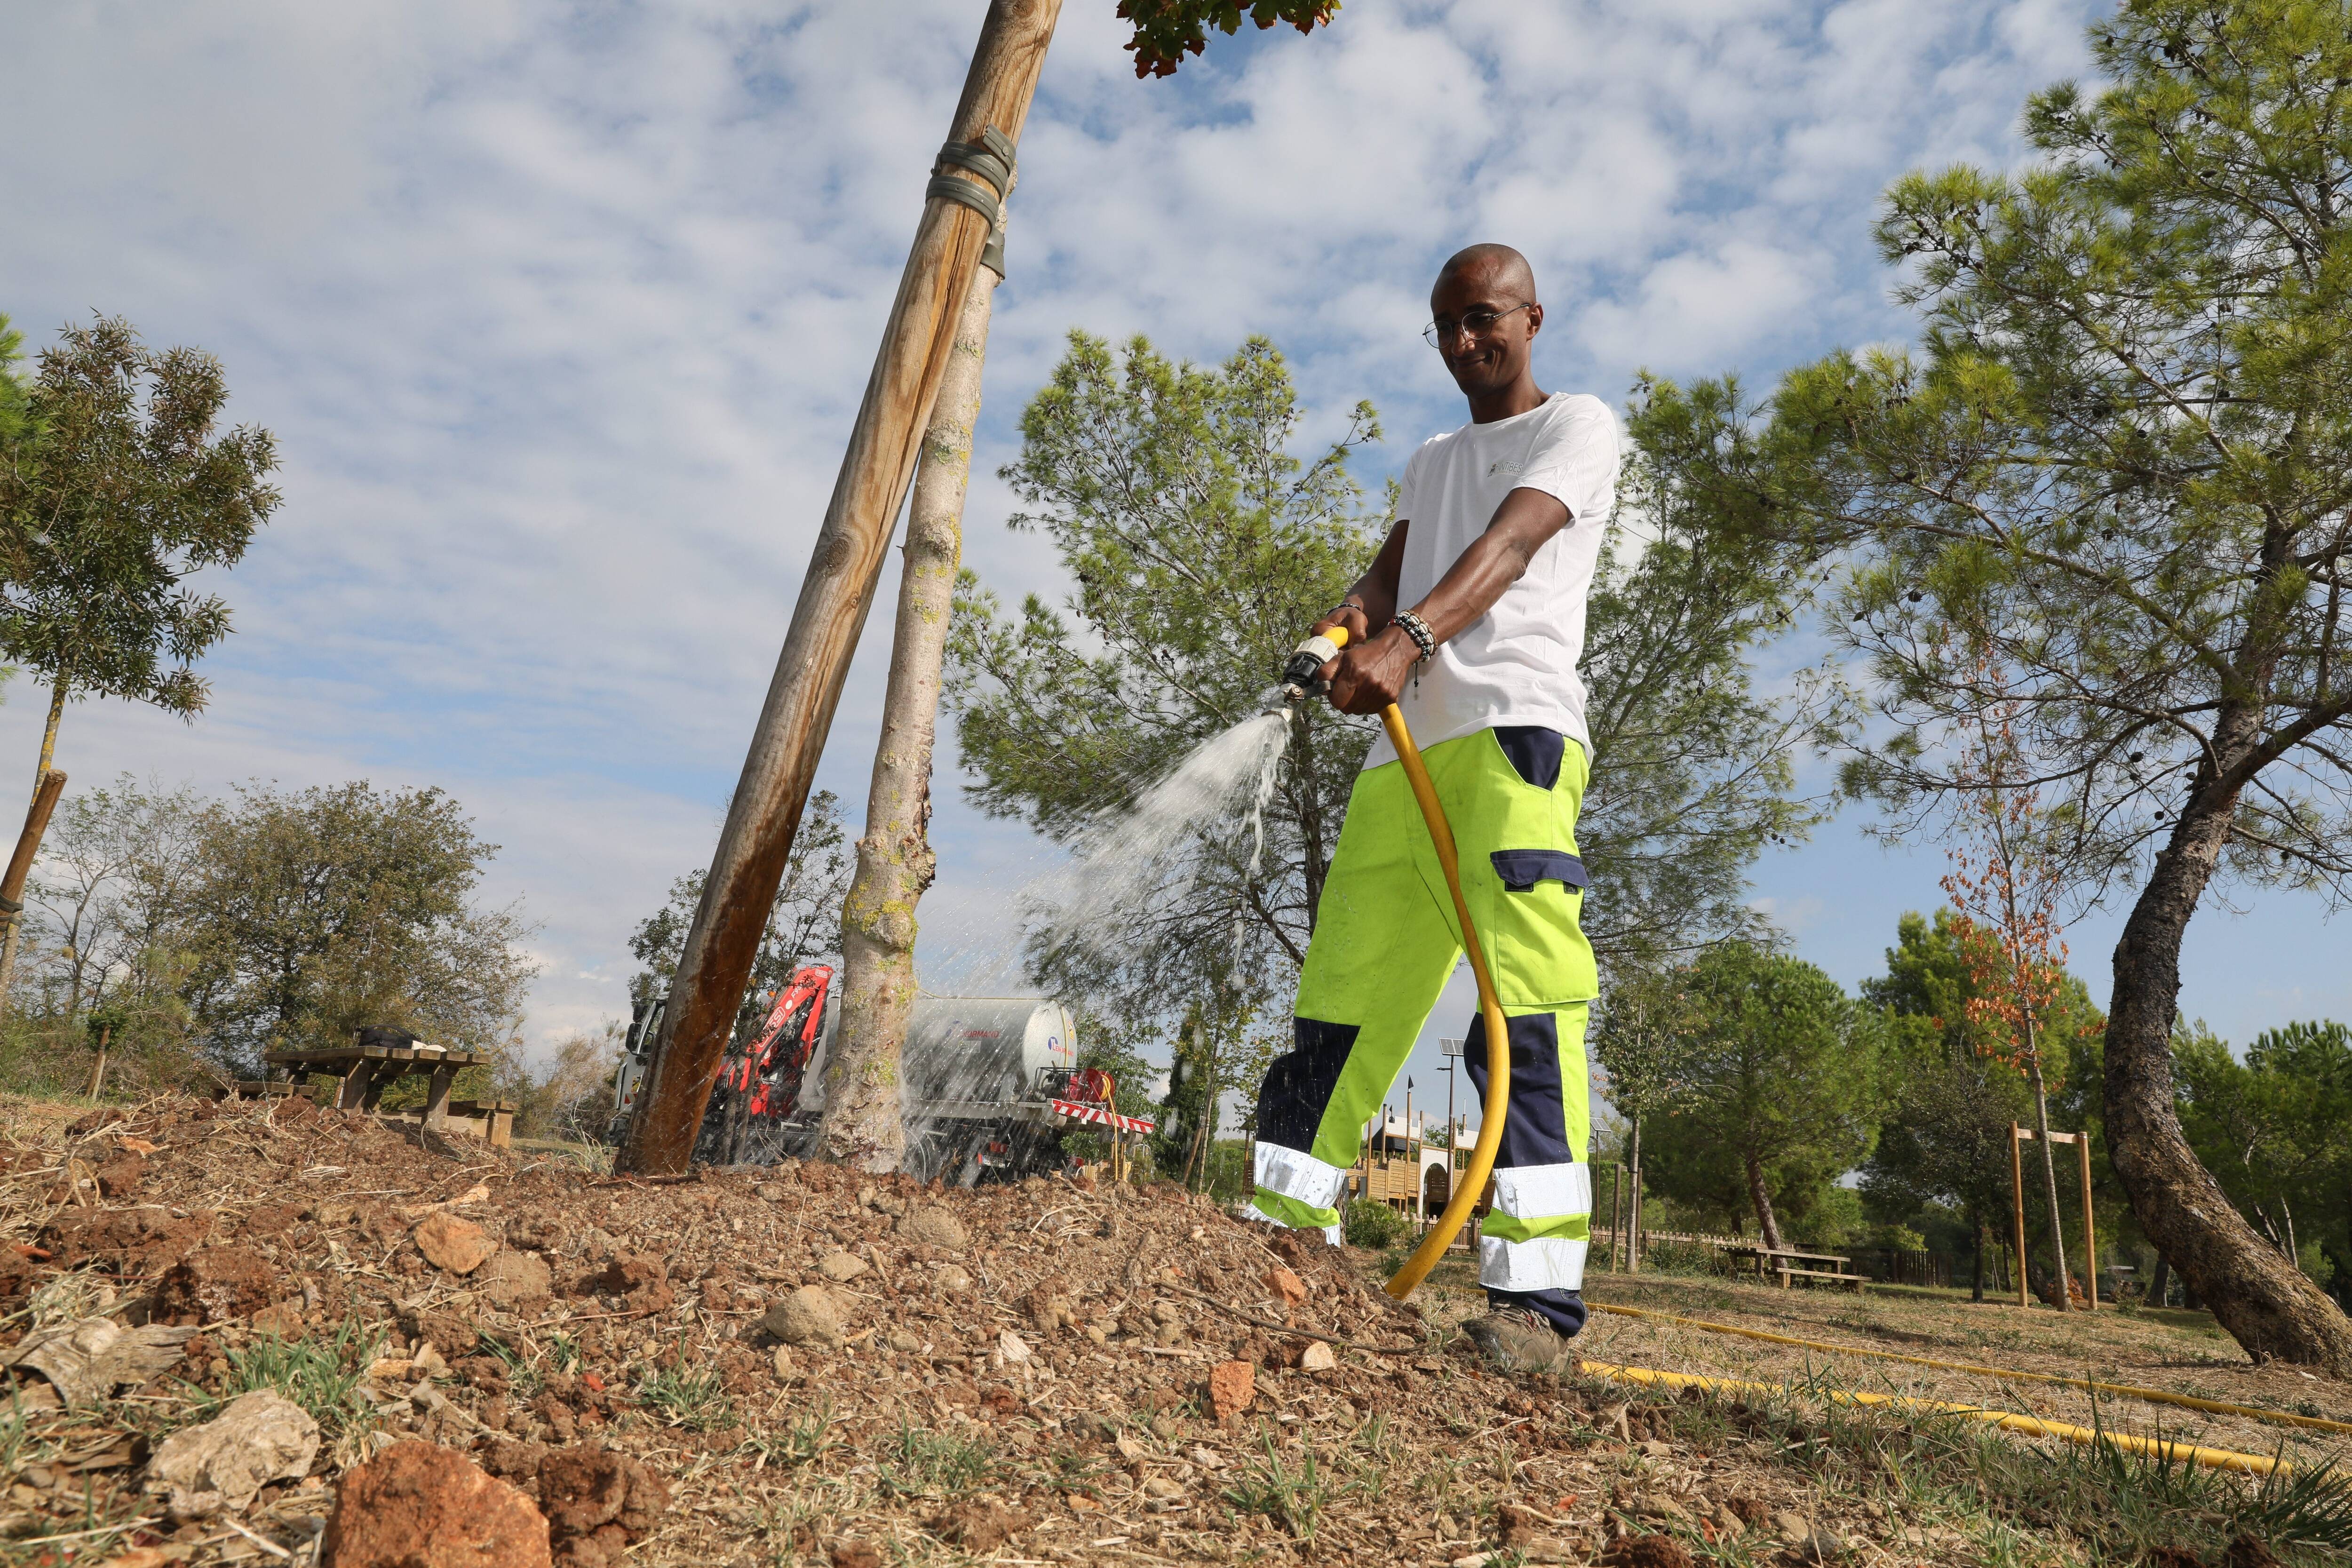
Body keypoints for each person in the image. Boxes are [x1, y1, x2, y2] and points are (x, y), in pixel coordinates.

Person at [1247, 242, 1616, 1371]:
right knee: (1344, 997)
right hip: (1398, 769)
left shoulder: (1579, 426)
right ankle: (1277, 1241)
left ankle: (1534, 1302)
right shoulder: (1430, 455)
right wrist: (1343, 627)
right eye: (1447, 326)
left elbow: (1507, 545)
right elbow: (1389, 572)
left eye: (1483, 319)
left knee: (1527, 1004)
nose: (1465, 342)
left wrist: (1408, 643)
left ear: (1531, 317)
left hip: (1509, 739)